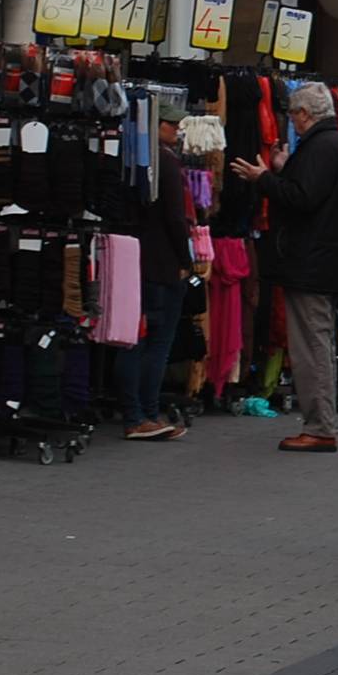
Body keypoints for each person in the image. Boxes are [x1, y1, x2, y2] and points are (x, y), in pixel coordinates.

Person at [233, 83, 338, 453]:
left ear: (304, 114)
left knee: (311, 345)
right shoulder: (333, 144)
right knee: (315, 341)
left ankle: (320, 426)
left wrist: (265, 179)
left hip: (311, 261)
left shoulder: (321, 146)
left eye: (293, 115)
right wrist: (285, 171)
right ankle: (319, 423)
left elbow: (303, 198)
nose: (292, 122)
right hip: (318, 260)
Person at [123, 114, 195, 441]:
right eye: (171, 124)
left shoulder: (131, 157)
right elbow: (176, 218)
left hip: (132, 259)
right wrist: (187, 259)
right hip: (163, 263)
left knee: (134, 340)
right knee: (156, 342)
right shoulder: (166, 164)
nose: (177, 130)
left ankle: (136, 411)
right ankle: (145, 414)